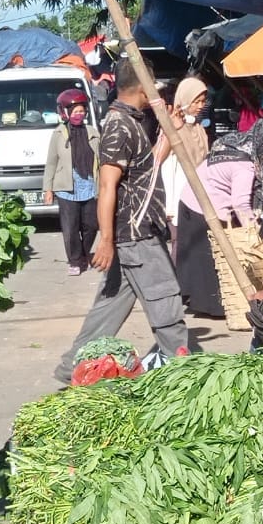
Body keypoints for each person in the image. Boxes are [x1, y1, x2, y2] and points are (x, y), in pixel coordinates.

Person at [53, 61, 190, 383]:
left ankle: (73, 365)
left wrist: (172, 130)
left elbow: (149, 168)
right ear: (143, 86)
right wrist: (106, 240)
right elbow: (107, 185)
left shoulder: (131, 122)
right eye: (153, 85)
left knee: (109, 306)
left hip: (136, 232)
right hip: (136, 234)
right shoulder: (119, 125)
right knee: (165, 301)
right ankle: (181, 372)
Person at [175, 119, 263, 329]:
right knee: (210, 259)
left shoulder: (238, 145)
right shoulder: (244, 165)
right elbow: (240, 202)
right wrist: (253, 230)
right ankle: (212, 306)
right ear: (260, 144)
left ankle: (199, 301)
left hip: (194, 196)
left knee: (201, 260)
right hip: (203, 203)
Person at [42, 88, 101, 276]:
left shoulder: (92, 132)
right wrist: (48, 189)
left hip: (90, 186)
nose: (79, 114)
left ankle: (84, 253)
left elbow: (101, 160)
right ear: (65, 113)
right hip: (66, 188)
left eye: (82, 111)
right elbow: (51, 162)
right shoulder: (58, 134)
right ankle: (75, 260)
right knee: (70, 228)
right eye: (75, 111)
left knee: (91, 225)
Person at [154, 76, 210, 243]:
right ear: (185, 100)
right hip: (179, 195)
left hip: (198, 193)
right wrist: (170, 205)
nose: (200, 106)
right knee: (180, 242)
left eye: (203, 101)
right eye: (196, 102)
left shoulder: (199, 128)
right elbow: (164, 164)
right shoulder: (172, 127)